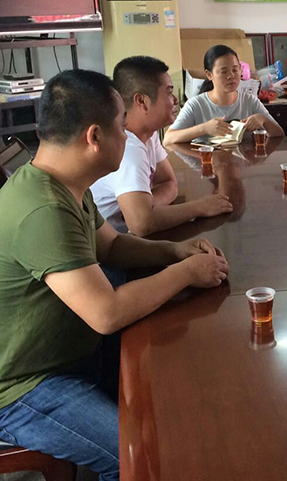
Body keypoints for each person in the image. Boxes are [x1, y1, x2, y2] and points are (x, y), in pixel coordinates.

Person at [0, 70, 229, 480]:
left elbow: (112, 246)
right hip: (25, 387)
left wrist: (175, 252)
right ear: (94, 137)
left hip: (68, 355)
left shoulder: (63, 183)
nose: (127, 136)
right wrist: (187, 272)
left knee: (173, 394)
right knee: (143, 457)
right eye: (122, 126)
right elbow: (106, 313)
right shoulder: (44, 209)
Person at [91, 56, 233, 236]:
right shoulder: (128, 148)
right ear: (141, 101)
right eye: (168, 92)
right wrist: (200, 207)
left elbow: (169, 183)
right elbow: (142, 224)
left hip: (129, 239)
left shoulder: (149, 135)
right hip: (107, 248)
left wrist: (147, 207)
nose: (175, 100)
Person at [163, 45, 284, 145]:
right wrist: (204, 128)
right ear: (209, 74)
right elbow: (168, 139)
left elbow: (279, 134)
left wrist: (263, 120)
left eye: (235, 70)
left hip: (242, 163)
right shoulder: (195, 105)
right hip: (208, 164)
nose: (231, 76)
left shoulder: (250, 101)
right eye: (224, 71)